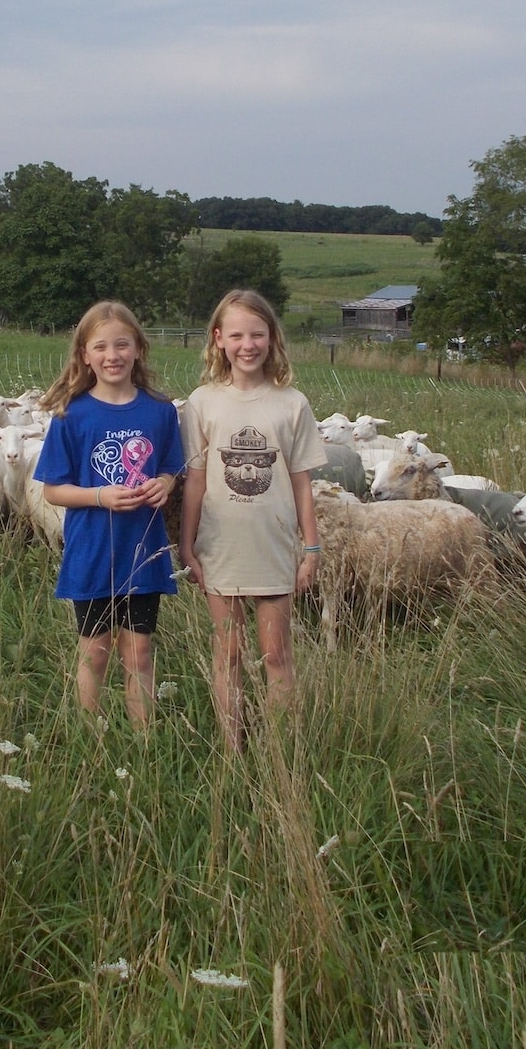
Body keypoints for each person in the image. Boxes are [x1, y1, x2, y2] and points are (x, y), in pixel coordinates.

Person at [177, 288, 328, 750]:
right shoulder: (202, 402)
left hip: (275, 544)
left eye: (257, 334)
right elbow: (196, 483)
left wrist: (311, 547)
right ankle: (233, 749)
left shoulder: (292, 403)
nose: (248, 345)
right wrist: (188, 546)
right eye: (238, 335)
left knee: (277, 654)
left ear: (271, 338)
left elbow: (301, 482)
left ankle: (282, 751)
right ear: (219, 339)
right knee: (228, 654)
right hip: (221, 547)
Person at [33, 301, 183, 727]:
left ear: (139, 349)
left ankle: (142, 737)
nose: (112, 355)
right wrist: (101, 496)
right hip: (93, 553)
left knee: (138, 650)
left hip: (144, 552)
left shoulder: (159, 410)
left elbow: (172, 467)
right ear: (84, 355)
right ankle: (90, 738)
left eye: (122, 345)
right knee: (95, 650)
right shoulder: (71, 414)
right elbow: (53, 490)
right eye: (100, 346)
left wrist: (165, 484)